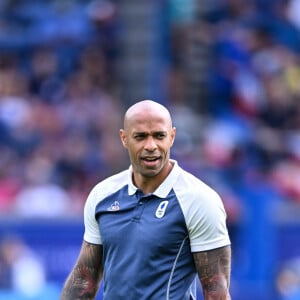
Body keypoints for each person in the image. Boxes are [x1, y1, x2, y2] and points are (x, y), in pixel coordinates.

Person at [60, 99, 231, 300]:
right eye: (140, 137)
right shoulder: (102, 195)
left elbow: (217, 293)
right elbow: (85, 278)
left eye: (159, 136)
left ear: (172, 137)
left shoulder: (199, 200)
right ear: (124, 138)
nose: (151, 146)